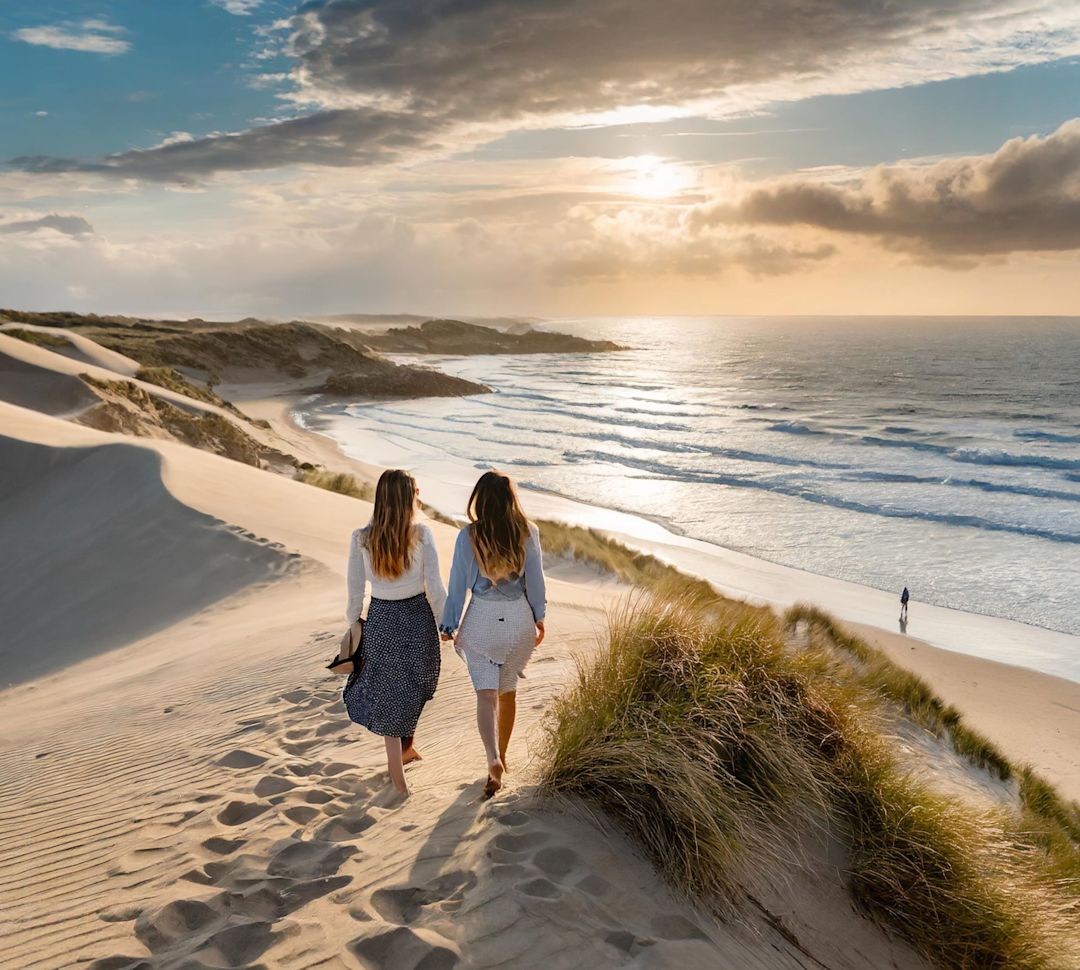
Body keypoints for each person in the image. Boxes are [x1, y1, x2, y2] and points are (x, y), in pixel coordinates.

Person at [440, 471, 546, 798]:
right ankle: (505, 753)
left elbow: (458, 585)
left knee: (486, 695)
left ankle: (493, 759)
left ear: (479, 499)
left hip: (483, 617)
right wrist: (539, 617)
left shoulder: (468, 536)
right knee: (508, 692)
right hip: (518, 619)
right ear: (510, 499)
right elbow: (536, 580)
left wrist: (449, 623)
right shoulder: (528, 532)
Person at [341, 469, 446, 799]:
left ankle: (405, 750)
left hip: (384, 620)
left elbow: (355, 590)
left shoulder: (365, 537)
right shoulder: (419, 534)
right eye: (416, 489)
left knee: (413, 688)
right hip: (414, 617)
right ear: (407, 496)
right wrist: (446, 623)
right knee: (403, 692)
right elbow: (436, 588)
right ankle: (397, 776)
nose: (419, 494)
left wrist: (355, 621)